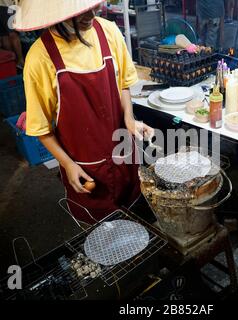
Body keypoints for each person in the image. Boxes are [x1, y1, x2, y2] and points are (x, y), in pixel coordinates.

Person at [17, 0, 154, 224]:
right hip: (86, 168)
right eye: (80, 10)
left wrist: (129, 119)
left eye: (93, 5)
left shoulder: (108, 31)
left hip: (124, 155)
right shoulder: (40, 58)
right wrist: (68, 164)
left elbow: (123, 84)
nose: (90, 14)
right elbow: (41, 128)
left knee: (134, 215)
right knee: (99, 234)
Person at [0, 0, 24, 67]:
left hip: (6, 6)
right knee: (9, 34)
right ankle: (18, 61)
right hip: (8, 6)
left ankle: (16, 61)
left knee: (7, 35)